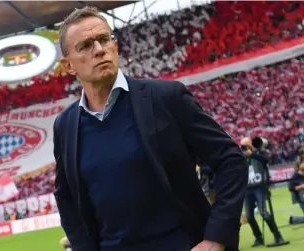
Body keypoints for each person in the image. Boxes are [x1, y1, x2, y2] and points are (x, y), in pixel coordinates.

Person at [54, 6, 248, 251]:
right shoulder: (66, 125)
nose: (100, 50)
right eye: (86, 45)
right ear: (68, 65)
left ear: (114, 46)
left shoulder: (167, 98)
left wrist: (216, 238)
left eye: (104, 39)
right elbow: (67, 198)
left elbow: (230, 160)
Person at [240, 137, 289, 248]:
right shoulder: (241, 156)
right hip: (247, 190)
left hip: (260, 188)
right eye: (242, 145)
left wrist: (251, 154)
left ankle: (278, 236)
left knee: (264, 213)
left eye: (246, 144)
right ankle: (258, 238)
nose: (245, 147)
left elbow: (266, 159)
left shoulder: (259, 152)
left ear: (251, 144)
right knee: (249, 216)